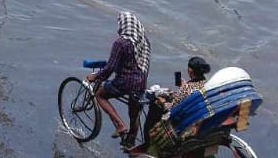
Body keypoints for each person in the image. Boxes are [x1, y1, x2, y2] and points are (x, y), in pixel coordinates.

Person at [88, 11, 149, 143]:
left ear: (123, 25)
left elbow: (110, 68)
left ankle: (120, 125)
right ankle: (130, 142)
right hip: (141, 83)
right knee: (134, 114)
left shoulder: (121, 43)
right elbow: (141, 64)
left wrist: (97, 76)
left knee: (100, 95)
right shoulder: (144, 41)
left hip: (125, 82)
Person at [135, 56, 211, 153]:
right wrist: (183, 87)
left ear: (190, 71)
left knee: (156, 106)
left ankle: (149, 141)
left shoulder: (187, 88)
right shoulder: (207, 85)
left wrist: (161, 101)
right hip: (198, 118)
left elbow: (172, 108)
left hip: (183, 123)